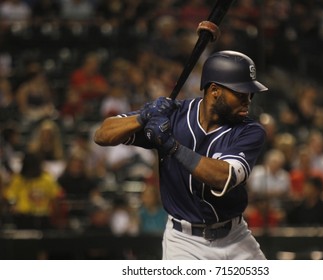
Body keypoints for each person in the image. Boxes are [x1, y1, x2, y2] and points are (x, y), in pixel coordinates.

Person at [94, 50, 268, 260]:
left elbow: (223, 177)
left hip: (236, 237)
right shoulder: (175, 115)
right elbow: (102, 134)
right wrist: (143, 116)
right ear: (214, 90)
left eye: (250, 93)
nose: (247, 100)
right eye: (240, 93)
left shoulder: (250, 130)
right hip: (185, 242)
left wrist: (172, 146)